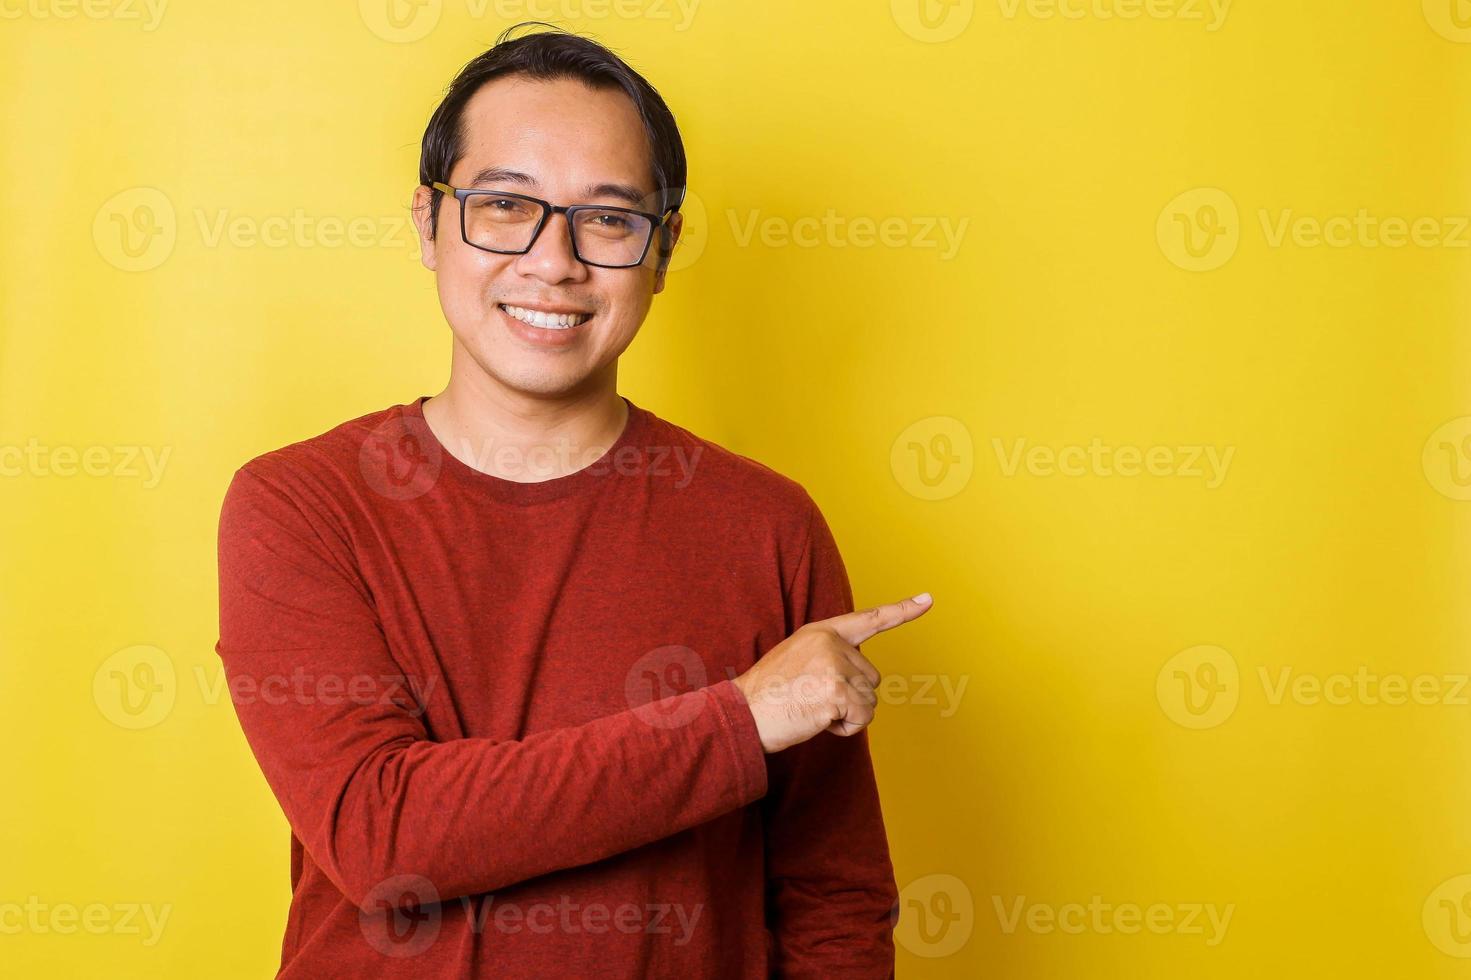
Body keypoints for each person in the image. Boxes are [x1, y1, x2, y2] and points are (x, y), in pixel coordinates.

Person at [214, 23, 933, 979]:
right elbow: (384, 838)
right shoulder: (299, 505)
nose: (553, 262)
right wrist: (739, 720)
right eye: (504, 205)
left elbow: (830, 896)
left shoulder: (768, 525)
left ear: (663, 247)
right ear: (429, 225)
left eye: (607, 219)